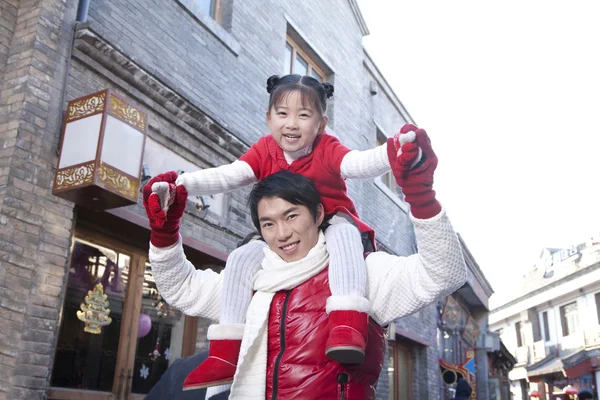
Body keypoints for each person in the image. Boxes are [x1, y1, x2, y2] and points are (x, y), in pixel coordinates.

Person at [143, 125, 467, 399]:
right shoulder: (249, 282)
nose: (282, 233)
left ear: (318, 214)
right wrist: (165, 233)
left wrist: (422, 199)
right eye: (268, 224)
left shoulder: (359, 272)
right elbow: (181, 289)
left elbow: (443, 273)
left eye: (291, 216)